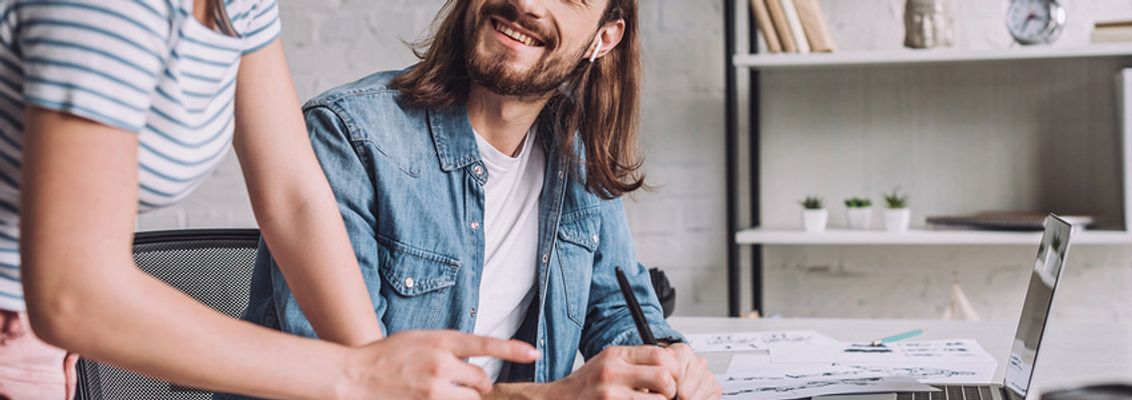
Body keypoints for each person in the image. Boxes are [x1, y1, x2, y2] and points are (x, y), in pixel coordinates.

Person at [1, 1, 537, 399]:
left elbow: (292, 193)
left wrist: (377, 363)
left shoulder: (238, 5)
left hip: (41, 346)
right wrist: (357, 375)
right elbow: (74, 294)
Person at [242, 0, 722, 398]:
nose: (527, 4)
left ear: (604, 38)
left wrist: (665, 359)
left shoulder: (575, 153)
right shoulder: (352, 136)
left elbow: (617, 304)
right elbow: (358, 380)